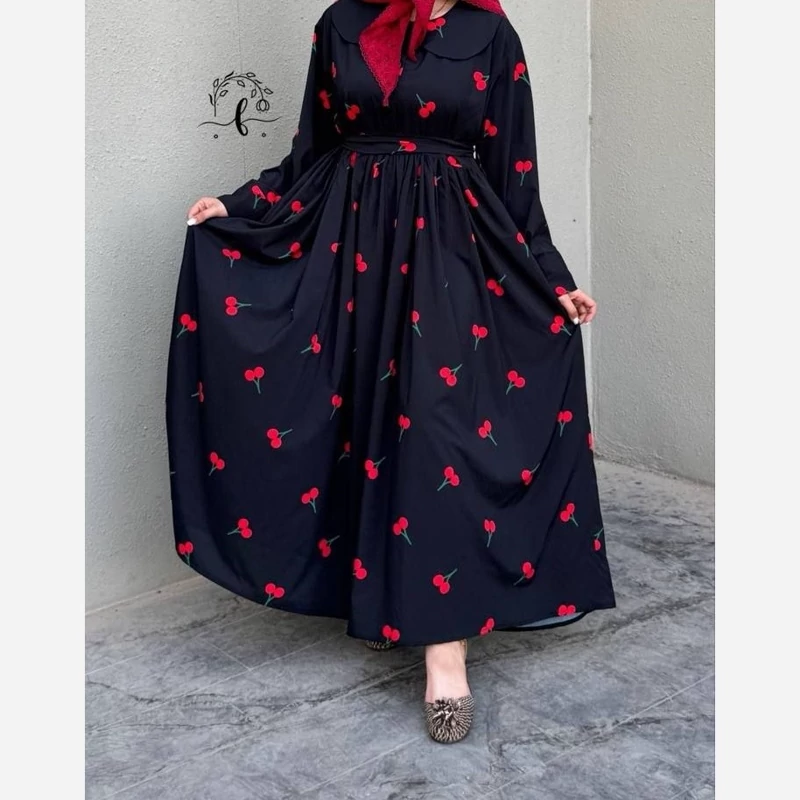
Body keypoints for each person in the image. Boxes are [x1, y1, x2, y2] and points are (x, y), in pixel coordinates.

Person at [167, 0, 616, 744]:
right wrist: (242, 205)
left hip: (450, 253)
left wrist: (550, 277)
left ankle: (445, 650)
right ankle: (382, 593)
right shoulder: (340, 23)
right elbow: (312, 149)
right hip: (348, 247)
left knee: (436, 429)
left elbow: (516, 174)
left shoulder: (489, 34)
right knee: (353, 423)